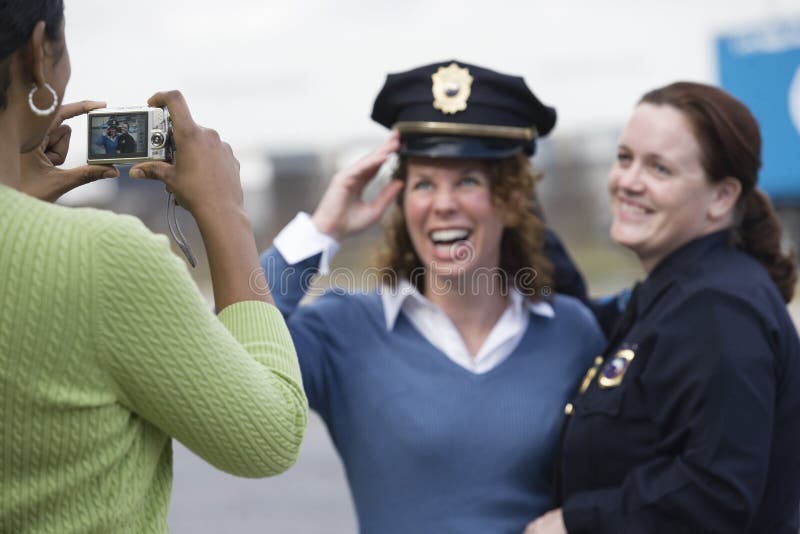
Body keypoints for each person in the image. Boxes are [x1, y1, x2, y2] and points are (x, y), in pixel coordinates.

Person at [260, 60, 605, 533]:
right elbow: (231, 349)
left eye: (467, 180)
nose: (443, 203)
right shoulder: (346, 329)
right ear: (402, 205)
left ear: (510, 200)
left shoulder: (570, 330)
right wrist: (323, 229)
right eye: (423, 183)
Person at [0, 2, 307, 532]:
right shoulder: (101, 260)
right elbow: (270, 436)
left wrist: (19, 205)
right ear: (38, 54)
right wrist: (225, 212)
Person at [525, 82, 800, 534]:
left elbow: (717, 493)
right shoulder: (678, 292)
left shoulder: (718, 308)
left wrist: (574, 524)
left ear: (722, 197)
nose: (628, 182)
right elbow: (592, 321)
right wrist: (512, 200)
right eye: (625, 158)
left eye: (660, 168)